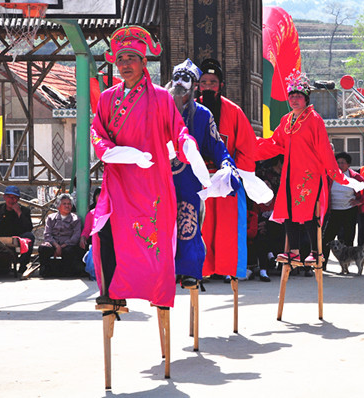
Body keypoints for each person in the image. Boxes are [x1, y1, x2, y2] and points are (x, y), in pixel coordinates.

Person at [90, 26, 202, 306]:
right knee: (104, 230)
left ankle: (157, 293)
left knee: (152, 242)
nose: (125, 64)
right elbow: (97, 133)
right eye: (121, 59)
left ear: (143, 63)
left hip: (151, 183)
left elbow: (178, 130)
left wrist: (186, 145)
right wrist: (114, 153)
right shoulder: (107, 98)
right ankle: (111, 295)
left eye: (132, 58)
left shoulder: (161, 98)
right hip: (117, 179)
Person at [255, 70, 364, 267]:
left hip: (309, 174)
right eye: (292, 96)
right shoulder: (286, 120)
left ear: (306, 99)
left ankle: (316, 252)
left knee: (309, 214)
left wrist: (337, 175)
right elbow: (275, 144)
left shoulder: (314, 120)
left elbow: (324, 149)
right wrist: (251, 147)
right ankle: (294, 252)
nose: (295, 100)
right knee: (288, 211)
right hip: (290, 174)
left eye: (299, 96)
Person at [165, 58, 239, 287]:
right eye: (176, 77)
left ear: (195, 85)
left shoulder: (203, 115)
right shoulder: (158, 109)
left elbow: (217, 146)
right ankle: (161, 270)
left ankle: (189, 271)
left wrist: (227, 164)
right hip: (160, 178)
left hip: (188, 180)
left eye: (185, 78)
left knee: (189, 224)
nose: (179, 82)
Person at [197, 58, 256, 281]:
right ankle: (198, 270)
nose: (209, 86)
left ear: (221, 85)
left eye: (213, 82)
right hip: (198, 181)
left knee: (227, 231)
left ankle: (228, 270)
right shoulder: (188, 109)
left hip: (225, 181)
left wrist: (235, 174)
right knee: (200, 227)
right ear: (197, 85)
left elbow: (246, 147)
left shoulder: (234, 112)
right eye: (204, 82)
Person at [322, 152, 364, 268]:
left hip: (349, 211)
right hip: (333, 211)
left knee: (348, 238)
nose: (340, 165)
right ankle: (322, 264)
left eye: (343, 163)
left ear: (348, 164)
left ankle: (346, 265)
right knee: (326, 238)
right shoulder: (330, 175)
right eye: (338, 163)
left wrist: (360, 201)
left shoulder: (353, 176)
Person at [0, 185, 35, 275]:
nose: (12, 200)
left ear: (18, 199)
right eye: (9, 197)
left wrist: (19, 213)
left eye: (15, 198)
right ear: (4, 197)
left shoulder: (24, 210)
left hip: (16, 236)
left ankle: (22, 265)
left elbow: (28, 228)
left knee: (29, 236)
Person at [38, 194, 84, 277]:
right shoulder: (51, 217)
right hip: (53, 244)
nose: (67, 206)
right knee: (43, 248)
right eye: (64, 204)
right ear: (58, 206)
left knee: (69, 251)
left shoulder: (76, 219)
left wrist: (62, 246)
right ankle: (45, 271)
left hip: (67, 244)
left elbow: (75, 236)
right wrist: (56, 246)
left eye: (69, 204)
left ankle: (65, 272)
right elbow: (47, 234)